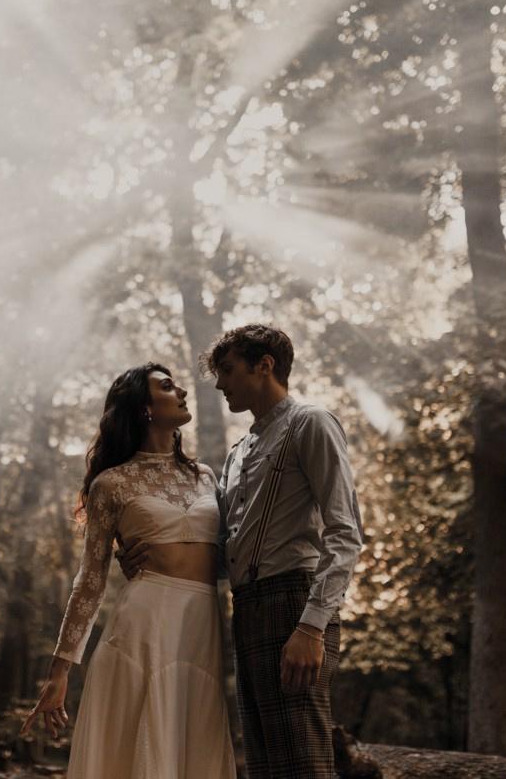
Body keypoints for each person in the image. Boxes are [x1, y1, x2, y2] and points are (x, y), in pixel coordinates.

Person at [121, 324, 364, 779]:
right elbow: (223, 553)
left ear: (265, 365)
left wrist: (311, 627)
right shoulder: (238, 453)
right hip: (247, 608)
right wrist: (147, 556)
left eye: (228, 370)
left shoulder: (311, 422)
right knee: (266, 764)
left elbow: (345, 532)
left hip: (295, 602)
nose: (219, 384)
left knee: (303, 763)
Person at [21, 363, 236, 779]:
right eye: (167, 387)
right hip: (144, 624)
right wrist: (60, 671)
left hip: (201, 625)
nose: (182, 392)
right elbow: (90, 579)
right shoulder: (112, 484)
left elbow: (229, 556)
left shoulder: (206, 476)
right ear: (144, 408)